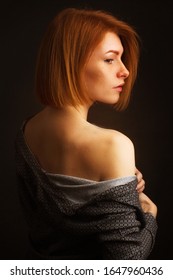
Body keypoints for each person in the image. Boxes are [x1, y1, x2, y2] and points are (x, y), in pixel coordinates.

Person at [15, 7, 158, 260]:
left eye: (122, 59)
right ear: (72, 61)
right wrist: (149, 214)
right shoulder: (114, 145)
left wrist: (119, 193)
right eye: (110, 59)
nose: (124, 70)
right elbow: (127, 267)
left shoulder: (26, 132)